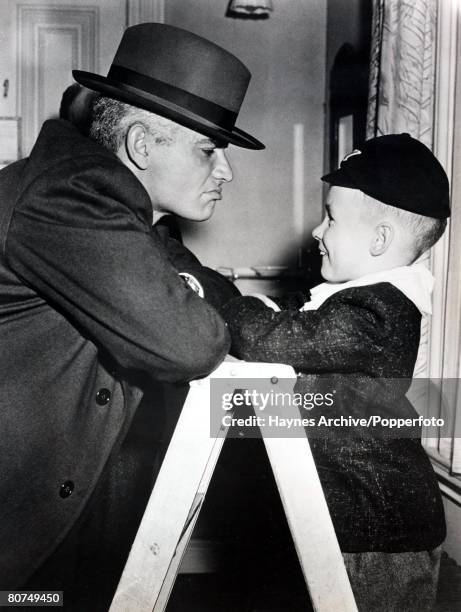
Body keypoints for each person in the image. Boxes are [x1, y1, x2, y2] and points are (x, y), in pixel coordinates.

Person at [0, 23, 263, 610]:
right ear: (142, 145)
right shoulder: (74, 196)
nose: (225, 172)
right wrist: (189, 295)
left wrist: (184, 286)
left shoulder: (96, 197)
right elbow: (186, 343)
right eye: (209, 150)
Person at [222, 133, 448, 611]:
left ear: (380, 239)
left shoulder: (376, 310)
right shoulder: (355, 302)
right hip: (353, 519)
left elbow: (273, 339)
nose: (317, 232)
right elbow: (299, 329)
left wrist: (231, 303)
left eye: (331, 218)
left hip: (378, 532)